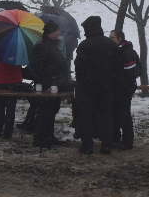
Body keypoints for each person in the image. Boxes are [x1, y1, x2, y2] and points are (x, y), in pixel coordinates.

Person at [74, 15, 119, 155]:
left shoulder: (85, 45)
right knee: (106, 115)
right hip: (106, 87)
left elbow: (78, 66)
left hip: (87, 88)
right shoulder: (110, 44)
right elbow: (117, 67)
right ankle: (106, 145)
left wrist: (83, 80)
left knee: (86, 116)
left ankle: (88, 145)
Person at [32, 20, 68, 148]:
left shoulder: (52, 44)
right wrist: (46, 84)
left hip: (55, 83)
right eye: (56, 30)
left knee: (52, 110)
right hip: (47, 85)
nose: (59, 32)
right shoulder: (41, 45)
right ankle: (40, 138)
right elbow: (38, 67)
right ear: (49, 33)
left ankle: (49, 136)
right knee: (45, 111)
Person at [109, 29, 141, 150]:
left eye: (113, 38)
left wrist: (120, 84)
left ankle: (127, 142)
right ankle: (115, 139)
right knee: (115, 114)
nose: (110, 39)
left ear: (120, 39)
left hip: (124, 89)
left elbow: (129, 74)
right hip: (116, 88)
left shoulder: (127, 52)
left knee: (124, 114)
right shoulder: (116, 50)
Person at [0, 52, 22, 139]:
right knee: (11, 107)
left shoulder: (0, 46)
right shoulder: (18, 47)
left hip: (0, 79)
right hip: (14, 80)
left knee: (0, 106)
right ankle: (8, 132)